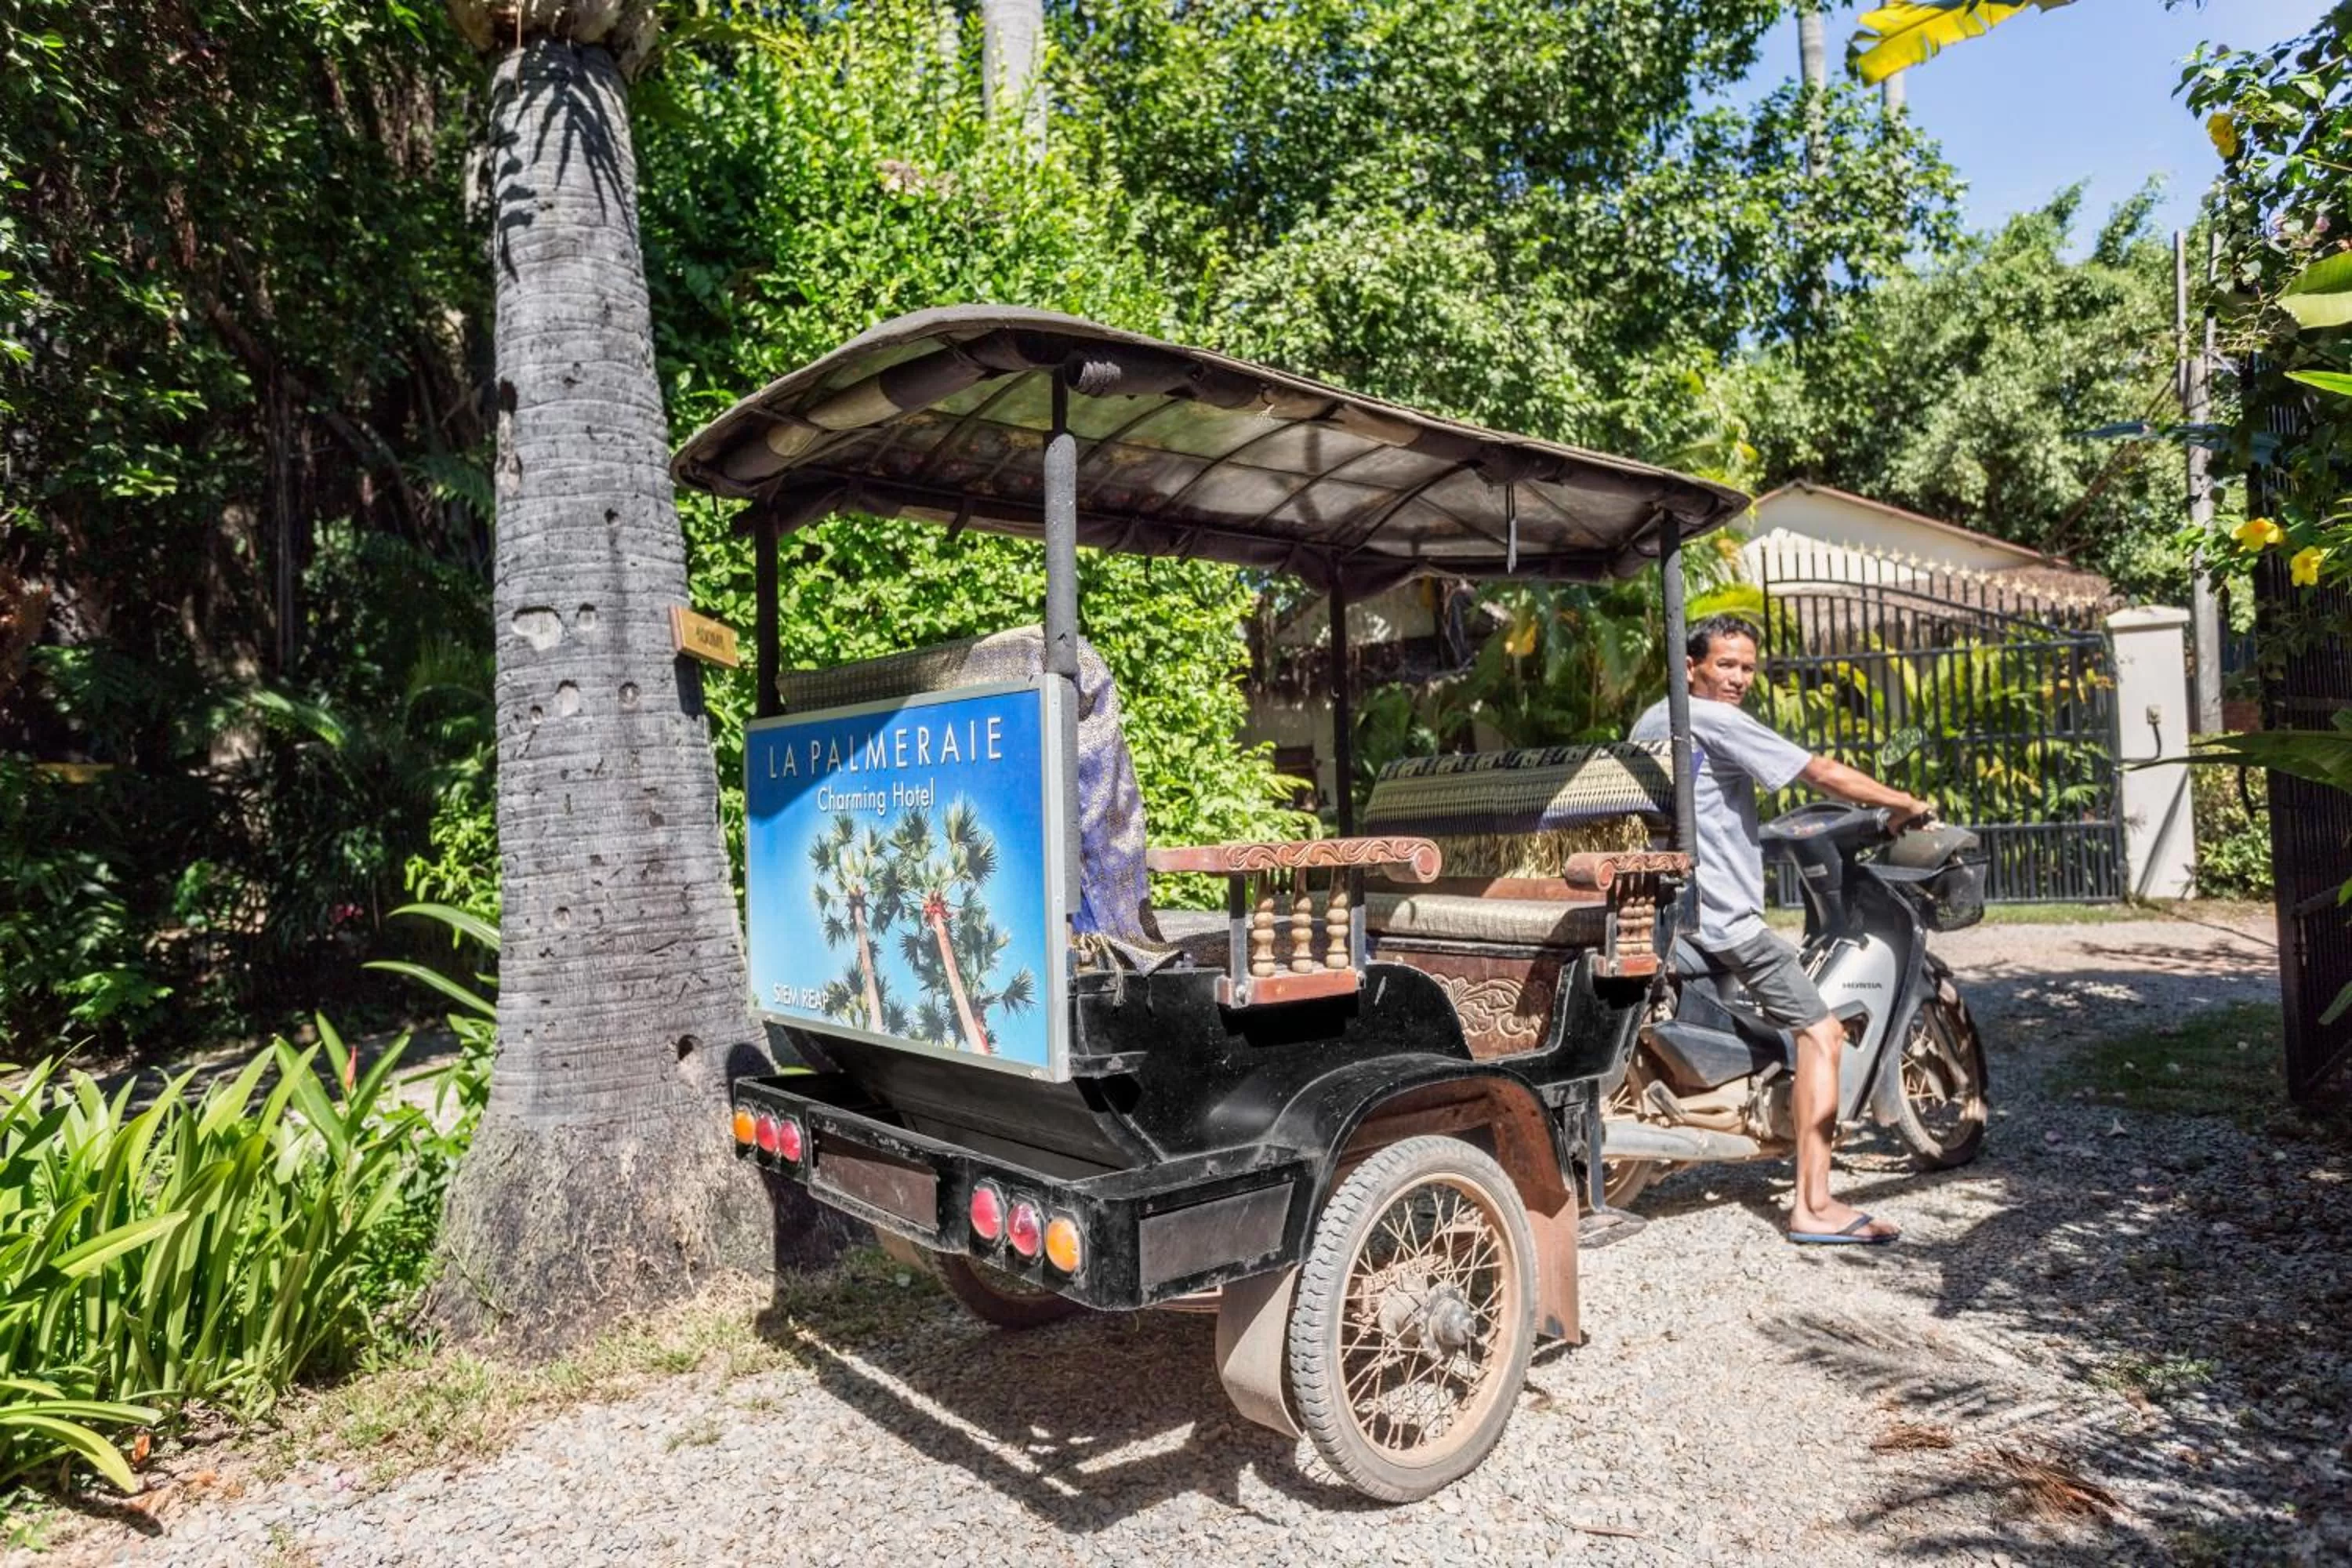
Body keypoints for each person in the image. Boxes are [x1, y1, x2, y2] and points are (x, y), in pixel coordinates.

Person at [1630, 612, 1929, 1245]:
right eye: (1725, 665)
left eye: (1747, 668)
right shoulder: (1713, 719)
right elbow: (1817, 773)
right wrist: (1899, 803)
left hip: (1674, 913)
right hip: (1724, 921)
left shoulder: (1653, 720)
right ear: (1692, 668)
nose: (1738, 678)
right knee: (1820, 1034)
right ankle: (1814, 1207)